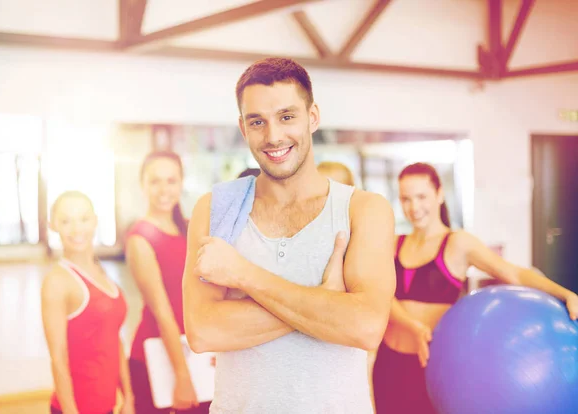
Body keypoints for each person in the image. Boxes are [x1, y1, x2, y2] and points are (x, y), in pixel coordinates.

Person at [182, 57, 396, 413]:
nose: (273, 136)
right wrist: (326, 304)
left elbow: (365, 326)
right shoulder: (217, 208)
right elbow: (204, 332)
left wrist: (243, 275)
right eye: (257, 122)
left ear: (312, 117)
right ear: (243, 127)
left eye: (286, 116)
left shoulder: (364, 210)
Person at [369, 162, 578, 413]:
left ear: (439, 194)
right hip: (388, 362)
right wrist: (412, 327)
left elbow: (513, 272)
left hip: (431, 367)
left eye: (421, 196)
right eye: (406, 199)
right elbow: (379, 293)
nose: (414, 207)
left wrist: (564, 293)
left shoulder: (458, 243)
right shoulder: (394, 243)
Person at [125, 151, 210, 413]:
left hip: (194, 352)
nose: (164, 190)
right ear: (143, 185)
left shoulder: (189, 227)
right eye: (155, 181)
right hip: (157, 361)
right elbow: (163, 313)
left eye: (171, 181)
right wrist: (182, 376)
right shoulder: (140, 239)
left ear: (181, 183)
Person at [41, 191, 133, 414]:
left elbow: (114, 338)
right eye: (66, 221)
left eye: (83, 219)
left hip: (108, 407)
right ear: (53, 225)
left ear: (95, 221)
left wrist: (129, 396)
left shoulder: (100, 271)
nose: (76, 229)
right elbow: (58, 359)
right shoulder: (57, 282)